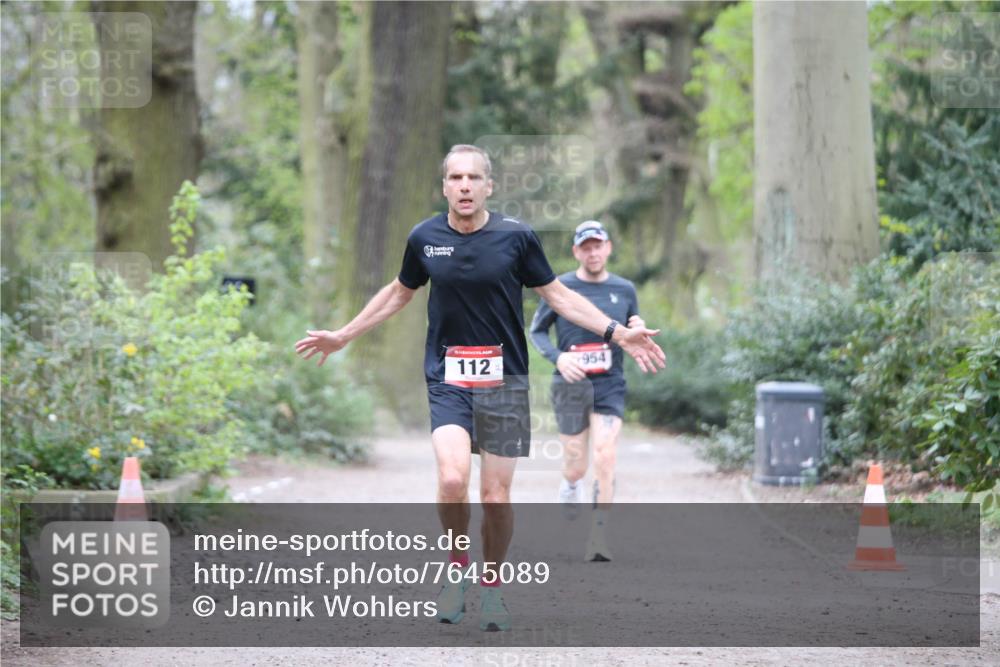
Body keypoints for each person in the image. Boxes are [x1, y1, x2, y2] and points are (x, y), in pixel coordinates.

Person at [295, 145, 665, 632]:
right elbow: (399, 293)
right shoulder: (424, 238)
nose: (465, 185)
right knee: (452, 480)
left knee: (495, 496)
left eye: (473, 177)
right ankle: (456, 570)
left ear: (489, 186)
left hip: (504, 381)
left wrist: (616, 333)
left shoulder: (517, 237)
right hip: (448, 378)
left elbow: (559, 296)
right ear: (444, 186)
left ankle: (491, 586)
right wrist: (344, 335)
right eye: (455, 177)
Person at [529, 220, 641, 562]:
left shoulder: (624, 289)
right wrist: (559, 358)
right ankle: (571, 483)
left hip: (609, 383)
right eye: (586, 247)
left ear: (608, 248)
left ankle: (598, 536)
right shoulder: (561, 286)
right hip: (570, 385)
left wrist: (637, 326)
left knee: (605, 455)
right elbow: (537, 332)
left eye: (598, 246)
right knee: (576, 464)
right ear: (576, 251)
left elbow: (632, 326)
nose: (593, 253)